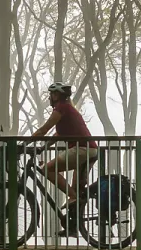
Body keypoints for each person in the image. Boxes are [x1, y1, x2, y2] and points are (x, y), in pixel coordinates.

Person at [26, 82, 99, 212]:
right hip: (90, 150)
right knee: (76, 190)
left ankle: (72, 197)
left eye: (51, 94)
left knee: (47, 170)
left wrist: (24, 144)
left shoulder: (61, 108)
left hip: (81, 149)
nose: (49, 97)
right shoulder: (69, 109)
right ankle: (74, 225)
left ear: (57, 95)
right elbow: (58, 134)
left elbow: (44, 129)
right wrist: (44, 147)